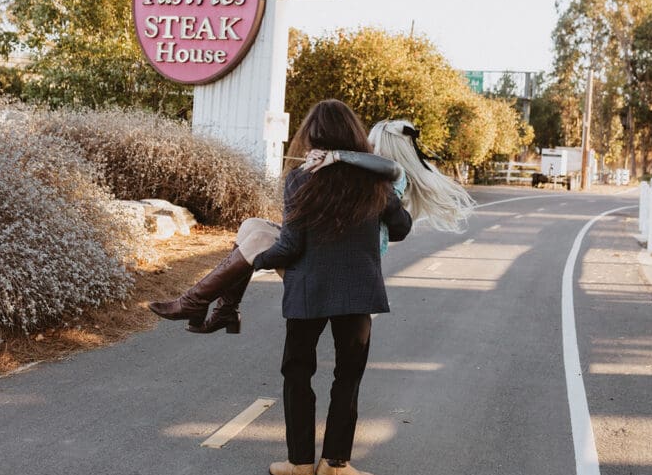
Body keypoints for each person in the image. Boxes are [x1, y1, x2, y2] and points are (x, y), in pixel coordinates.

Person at [148, 118, 473, 333]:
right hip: (325, 252)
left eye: (371, 143)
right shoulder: (364, 174)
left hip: (339, 270)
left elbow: (381, 167)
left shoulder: (390, 175)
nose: (367, 148)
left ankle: (195, 303)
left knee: (260, 236)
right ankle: (223, 310)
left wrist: (338, 156)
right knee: (251, 226)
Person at [251, 98, 411, 475]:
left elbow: (289, 247)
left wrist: (255, 258)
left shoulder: (299, 179)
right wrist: (388, 196)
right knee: (348, 377)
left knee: (298, 374)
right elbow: (402, 227)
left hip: (307, 291)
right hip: (358, 291)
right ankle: (335, 464)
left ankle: (301, 464)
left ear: (312, 136)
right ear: (353, 136)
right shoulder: (374, 179)